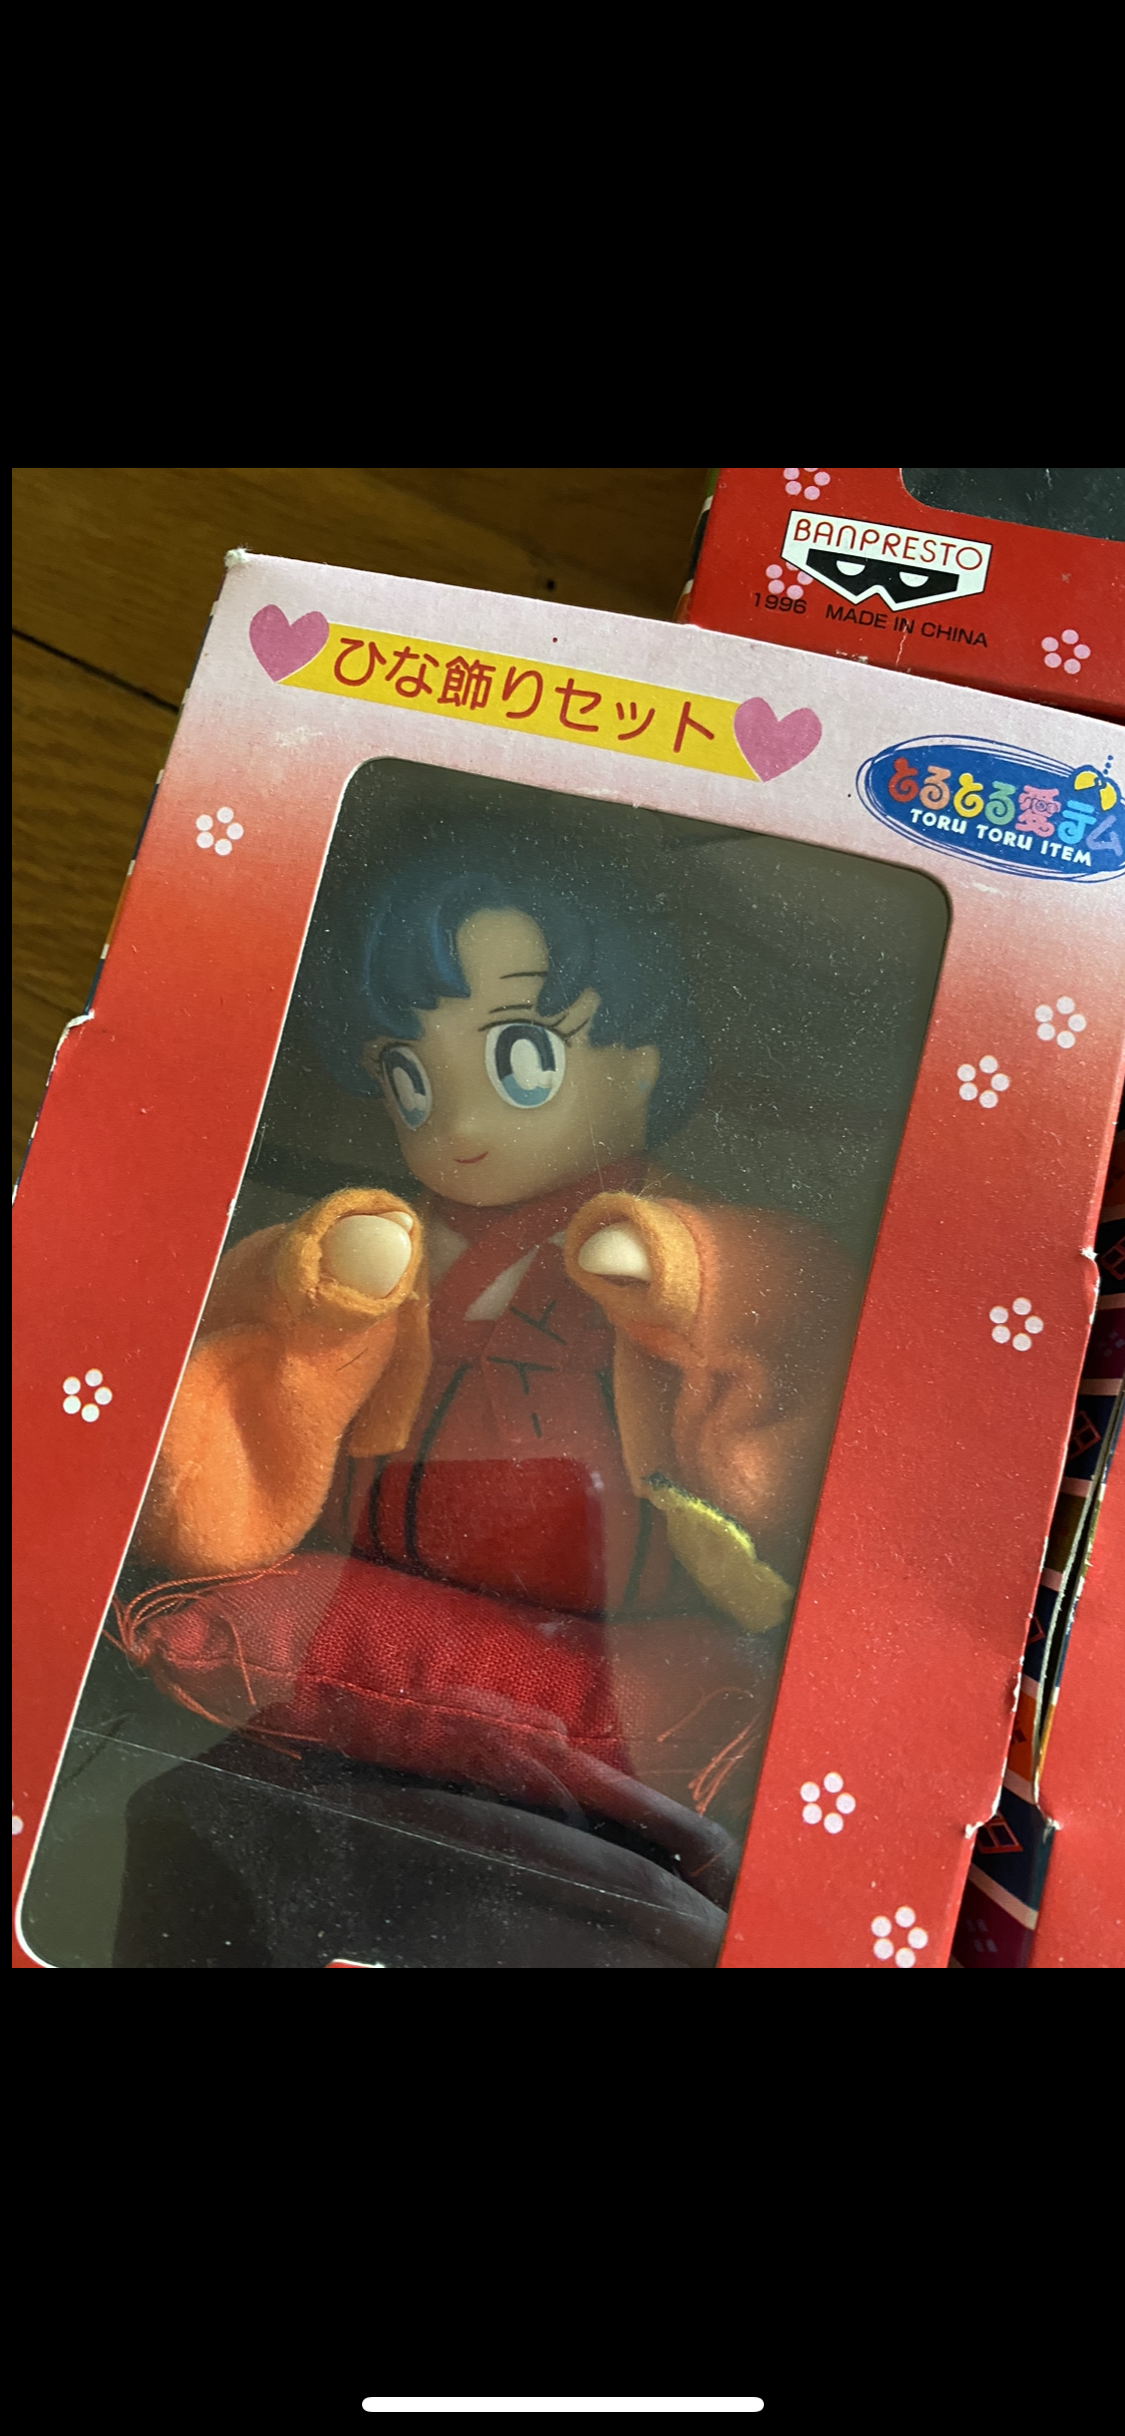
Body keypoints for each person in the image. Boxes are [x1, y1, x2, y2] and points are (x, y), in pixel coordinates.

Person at [127, 825, 860, 1858]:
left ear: (639, 1061)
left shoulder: (652, 1228)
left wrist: (681, 1267)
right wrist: (332, 1284)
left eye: (522, 1059)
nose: (456, 1122)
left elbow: (793, 1293)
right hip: (388, 1560)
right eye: (410, 1078)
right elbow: (252, 1313)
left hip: (625, 1599)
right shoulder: (393, 1231)